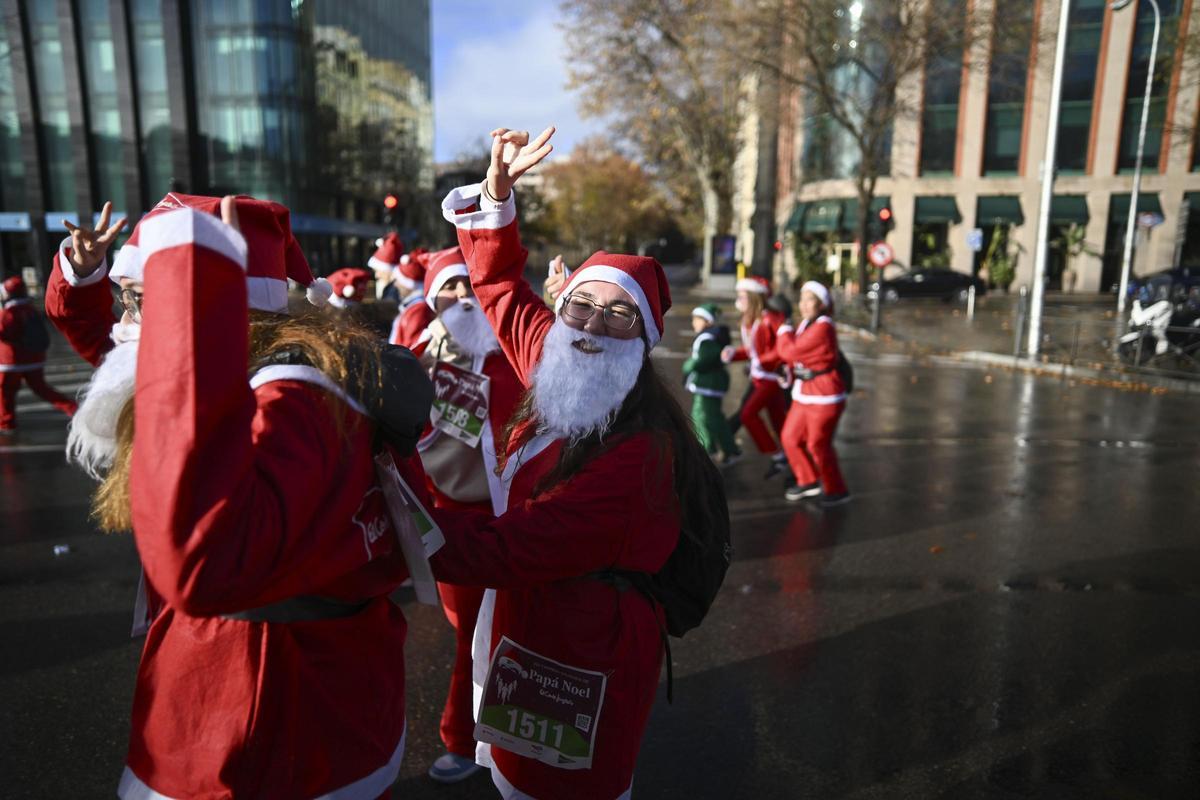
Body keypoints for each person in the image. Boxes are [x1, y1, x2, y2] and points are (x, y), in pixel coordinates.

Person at [58, 194, 433, 798]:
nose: (125, 320)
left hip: (262, 693)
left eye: (141, 297)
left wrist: (193, 292)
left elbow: (205, 560)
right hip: (273, 679)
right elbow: (119, 363)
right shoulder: (248, 362)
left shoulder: (293, 399)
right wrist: (83, 277)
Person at [430, 125, 726, 800]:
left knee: (558, 789)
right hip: (528, 621)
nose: (593, 326)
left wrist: (398, 530)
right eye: (582, 306)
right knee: (514, 777)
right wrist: (497, 195)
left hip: (585, 652)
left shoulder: (644, 454)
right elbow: (501, 285)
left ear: (644, 339)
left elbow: (521, 545)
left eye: (620, 315)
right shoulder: (557, 359)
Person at [415, 246, 524, 784]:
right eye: (448, 290)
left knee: (498, 635)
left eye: (467, 286)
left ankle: (486, 741)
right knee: (468, 634)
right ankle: (472, 737)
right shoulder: (419, 358)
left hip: (512, 518)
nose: (461, 298)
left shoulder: (517, 357)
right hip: (445, 518)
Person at [775, 280, 851, 506]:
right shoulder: (808, 323)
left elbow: (790, 351)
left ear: (821, 304)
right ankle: (808, 480)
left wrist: (783, 328)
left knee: (818, 445)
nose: (804, 304)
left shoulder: (823, 326)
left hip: (824, 396)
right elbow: (800, 359)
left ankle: (837, 489)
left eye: (810, 300)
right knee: (790, 438)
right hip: (805, 393)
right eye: (802, 299)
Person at [721, 276, 788, 475]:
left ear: (754, 297)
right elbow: (752, 351)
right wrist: (733, 354)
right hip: (760, 377)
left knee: (748, 414)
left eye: (742, 296)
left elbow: (783, 349)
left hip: (771, 379)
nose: (739, 300)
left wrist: (763, 361)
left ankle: (777, 455)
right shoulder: (749, 320)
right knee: (779, 422)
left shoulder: (770, 319)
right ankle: (793, 456)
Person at [0, 275, 77, 433]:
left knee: (5, 392)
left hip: (11, 362)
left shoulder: (8, 313)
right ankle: (73, 409)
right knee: (41, 388)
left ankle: (6, 423)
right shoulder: (30, 309)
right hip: (35, 358)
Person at [682, 303, 740, 466]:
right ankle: (717, 448)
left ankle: (717, 450)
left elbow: (703, 360)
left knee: (706, 417)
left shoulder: (706, 339)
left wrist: (688, 365)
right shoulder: (710, 336)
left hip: (709, 384)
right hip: (709, 384)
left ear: (707, 321)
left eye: (697, 319)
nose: (694, 323)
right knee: (708, 417)